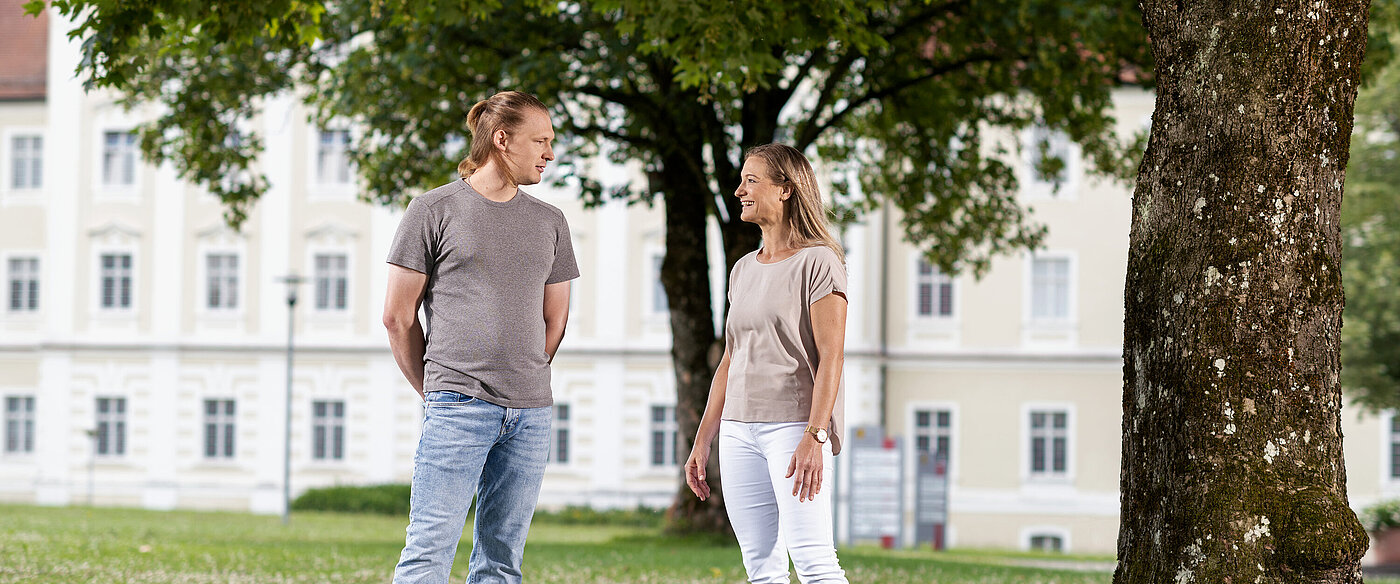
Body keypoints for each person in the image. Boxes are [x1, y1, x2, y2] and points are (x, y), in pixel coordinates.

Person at [383, 90, 578, 584]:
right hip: (458, 406)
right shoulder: (433, 209)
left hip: (531, 413)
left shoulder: (550, 221)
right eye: (541, 141)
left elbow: (554, 321)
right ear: (501, 139)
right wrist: (437, 391)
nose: (550, 154)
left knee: (501, 565)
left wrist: (525, 371)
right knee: (427, 554)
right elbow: (397, 317)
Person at [685, 143, 849, 583]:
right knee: (761, 567)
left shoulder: (819, 263)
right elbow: (729, 360)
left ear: (786, 190)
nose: (739, 190)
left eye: (751, 180)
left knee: (815, 561)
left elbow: (832, 357)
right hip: (739, 430)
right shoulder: (742, 269)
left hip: (793, 428)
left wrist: (816, 435)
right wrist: (703, 441)